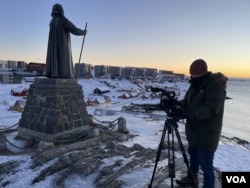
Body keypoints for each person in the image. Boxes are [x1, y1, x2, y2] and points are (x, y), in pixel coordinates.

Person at [176, 59, 228, 188]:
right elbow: (187, 101)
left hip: (208, 134)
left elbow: (211, 109)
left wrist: (189, 114)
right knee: (193, 155)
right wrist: (177, 105)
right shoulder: (195, 84)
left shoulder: (215, 86)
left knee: (206, 165)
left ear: (204, 72)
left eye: (196, 74)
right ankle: (192, 178)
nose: (193, 77)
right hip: (194, 131)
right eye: (192, 74)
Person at [45, 4, 87, 78]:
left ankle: (53, 73)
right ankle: (64, 74)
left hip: (53, 45)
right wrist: (83, 32)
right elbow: (73, 29)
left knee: (55, 57)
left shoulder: (51, 21)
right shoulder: (63, 20)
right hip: (62, 44)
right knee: (63, 59)